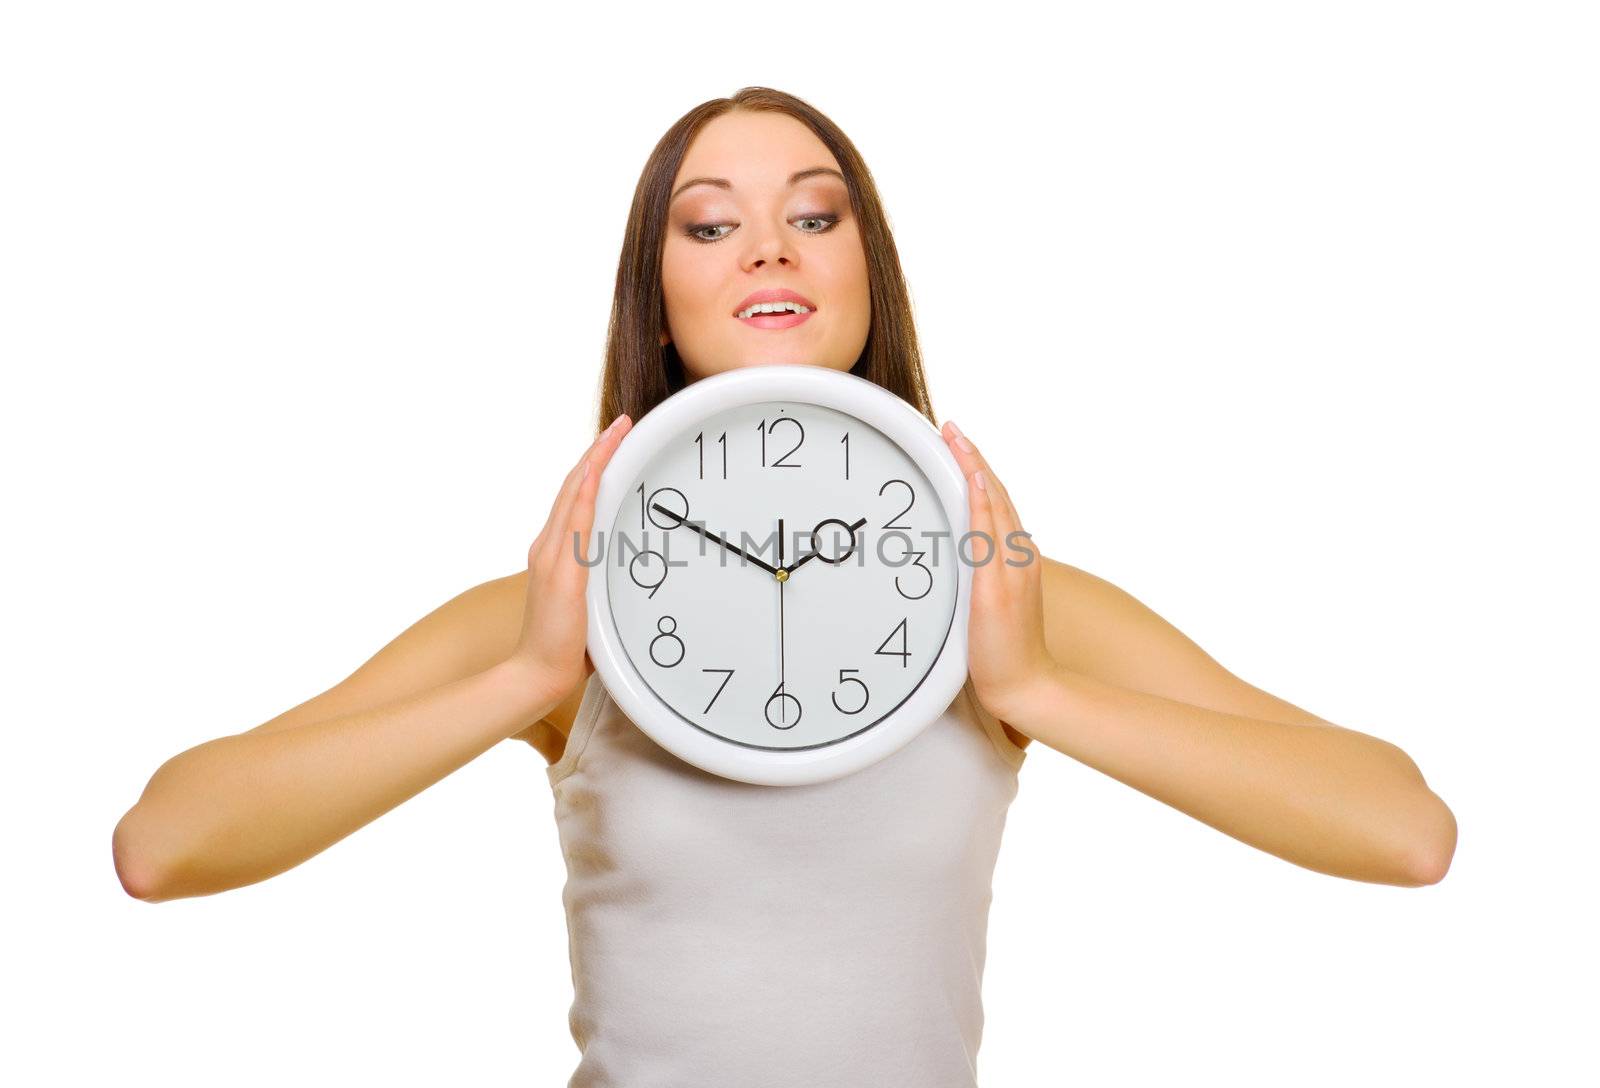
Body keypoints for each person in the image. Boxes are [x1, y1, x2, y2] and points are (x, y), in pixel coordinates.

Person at [112, 87, 1457, 1085]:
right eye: (712, 225)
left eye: (818, 215)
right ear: (659, 296)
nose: (770, 247)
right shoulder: (555, 610)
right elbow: (164, 845)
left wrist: (1034, 688)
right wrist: (529, 677)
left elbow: (1404, 832)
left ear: (871, 274)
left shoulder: (1006, 596)